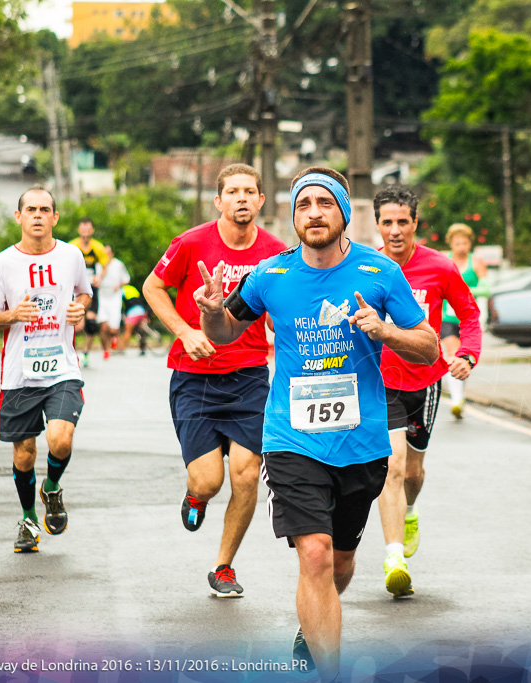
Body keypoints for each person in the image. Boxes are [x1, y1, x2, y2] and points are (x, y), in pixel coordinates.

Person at [196, 167, 439, 680]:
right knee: (316, 554)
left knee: (341, 564)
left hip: (362, 442)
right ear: (293, 215)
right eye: (303, 205)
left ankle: (313, 625)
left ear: (344, 214)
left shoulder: (380, 275)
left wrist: (386, 330)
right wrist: (212, 312)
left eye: (324, 204)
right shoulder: (270, 276)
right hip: (291, 439)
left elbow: (429, 348)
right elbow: (222, 332)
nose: (313, 213)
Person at [143, 163, 286, 598]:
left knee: (246, 475)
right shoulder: (191, 243)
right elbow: (152, 287)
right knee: (209, 480)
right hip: (194, 377)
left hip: (248, 377)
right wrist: (185, 332)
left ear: (261, 201)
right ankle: (196, 495)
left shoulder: (278, 254)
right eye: (234, 192)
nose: (242, 198)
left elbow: (285, 309)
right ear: (219, 201)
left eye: (250, 191)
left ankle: (223, 566)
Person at [373, 187, 482, 598]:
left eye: (403, 222)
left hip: (424, 381)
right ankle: (393, 557)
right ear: (377, 225)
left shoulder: (439, 267)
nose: (396, 230)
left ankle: (411, 511)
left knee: (413, 474)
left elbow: (469, 313)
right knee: (392, 465)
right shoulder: (366, 265)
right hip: (379, 381)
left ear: (416, 223)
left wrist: (468, 354)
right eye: (387, 222)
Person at [0, 186, 92, 553]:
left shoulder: (71, 255)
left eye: (45, 209)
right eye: (31, 209)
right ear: (19, 217)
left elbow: (84, 292)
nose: (38, 215)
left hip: (62, 367)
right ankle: (29, 518)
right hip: (19, 373)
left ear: (55, 217)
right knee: (25, 452)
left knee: (60, 439)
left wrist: (80, 308)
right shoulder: (2, 263)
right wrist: (13, 314)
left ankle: (53, 488)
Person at [441, 223, 488, 418]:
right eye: (457, 242)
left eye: (464, 242)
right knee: (452, 354)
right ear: (451, 243)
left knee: (464, 357)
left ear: (470, 243)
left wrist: (463, 293)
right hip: (447, 318)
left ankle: (459, 394)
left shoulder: (476, 263)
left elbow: (486, 289)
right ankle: (456, 400)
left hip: (467, 319)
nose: (461, 246)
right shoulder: (445, 262)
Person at [69, 218, 109, 367]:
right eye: (83, 230)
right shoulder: (72, 246)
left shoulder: (98, 247)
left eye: (88, 230)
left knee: (91, 323)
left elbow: (105, 266)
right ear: (79, 231)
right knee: (76, 324)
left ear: (92, 231)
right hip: (75, 290)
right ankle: (71, 352)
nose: (85, 233)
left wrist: (100, 277)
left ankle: (85, 353)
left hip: (92, 288)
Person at [95, 245, 129, 360]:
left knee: (113, 328)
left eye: (108, 253)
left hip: (115, 298)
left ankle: (115, 337)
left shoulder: (118, 264)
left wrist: (118, 285)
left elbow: (126, 279)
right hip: (103, 297)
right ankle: (105, 350)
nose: (107, 256)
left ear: (112, 254)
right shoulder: (98, 265)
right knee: (103, 326)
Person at [119, 283, 150, 355]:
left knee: (127, 331)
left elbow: (119, 303)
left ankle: (122, 349)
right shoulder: (132, 288)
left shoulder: (122, 290)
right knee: (141, 330)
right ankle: (143, 348)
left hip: (133, 312)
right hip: (142, 310)